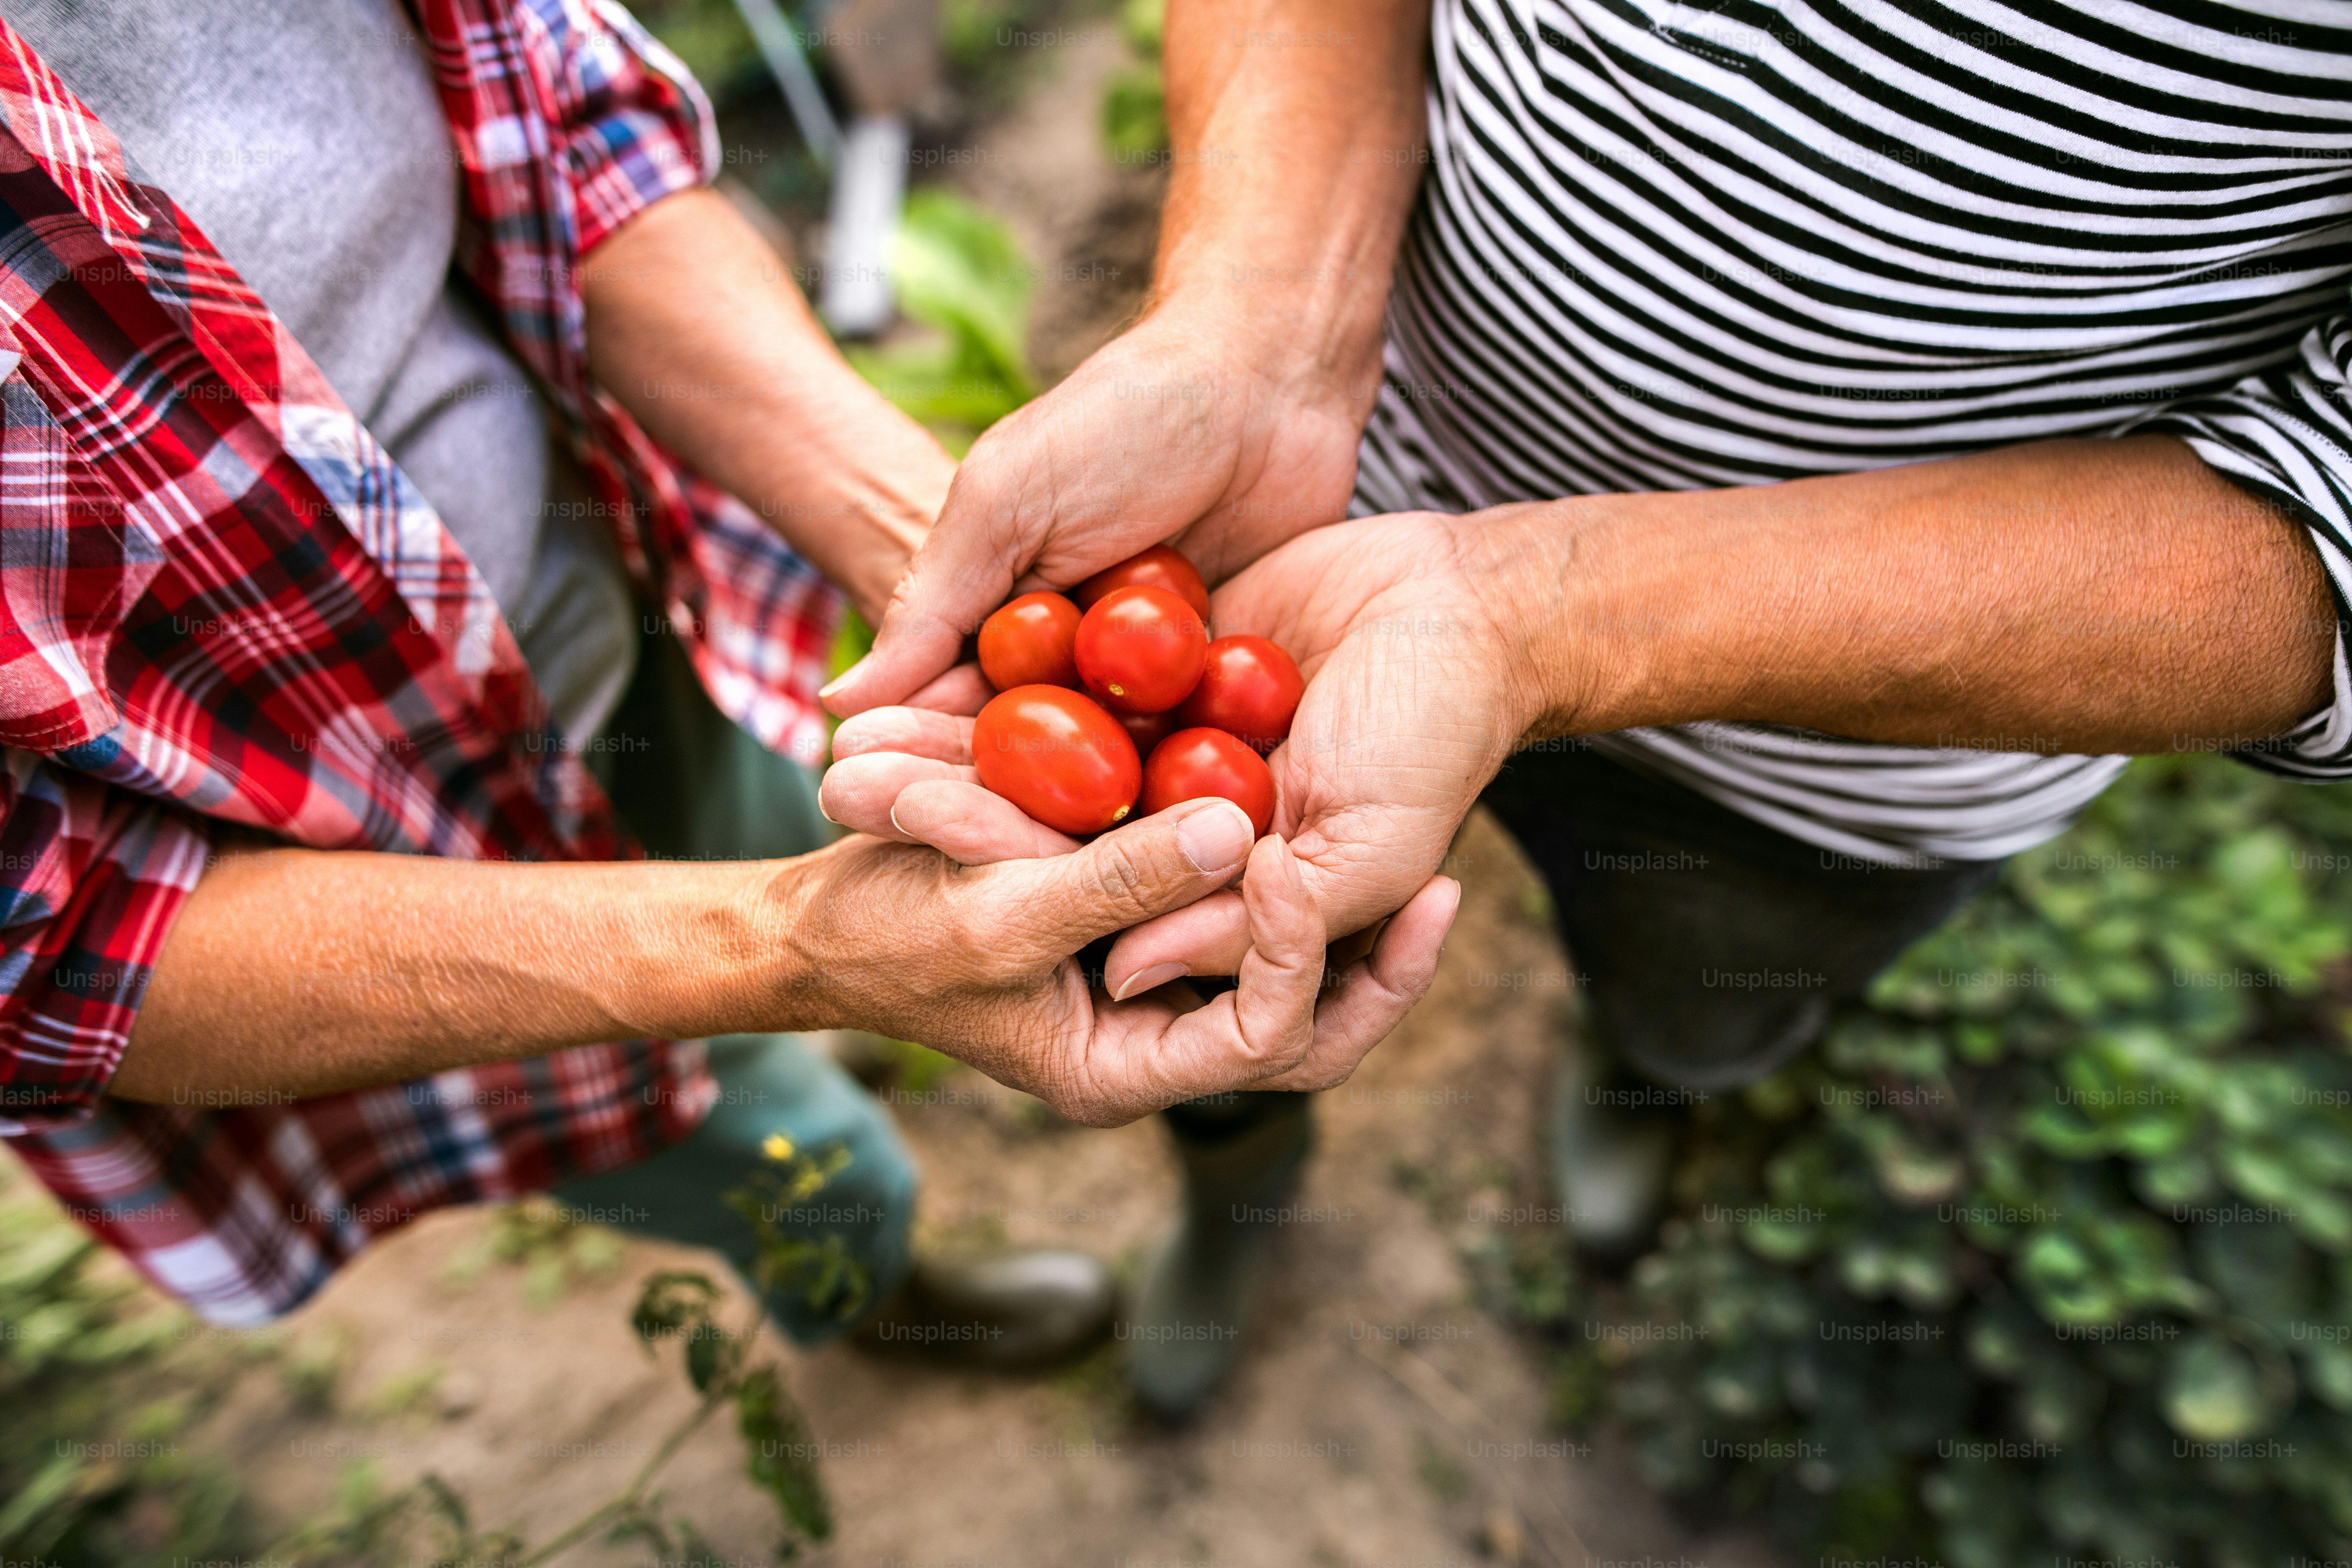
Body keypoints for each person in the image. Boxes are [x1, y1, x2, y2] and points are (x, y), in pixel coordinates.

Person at [821, 0, 2352, 1413]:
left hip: (1864, 735)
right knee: (1180, 953)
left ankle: (1645, 1072)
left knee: (1702, 977)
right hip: (1321, 508)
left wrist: (1546, 612)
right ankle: (1240, 1177)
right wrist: (1263, 335)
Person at [0, 0, 1454, 1358]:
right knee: (757, 1150)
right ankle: (888, 1292)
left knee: (813, 818)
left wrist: (945, 561)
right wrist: (791, 951)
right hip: (350, 900)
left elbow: (564, 132)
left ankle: (945, 1078)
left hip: (639, 625)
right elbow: (47, 952)